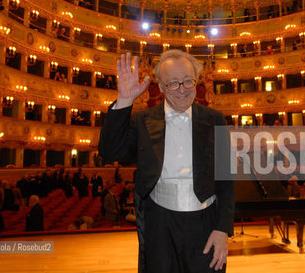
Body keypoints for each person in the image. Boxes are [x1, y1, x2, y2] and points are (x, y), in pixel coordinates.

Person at [99, 50, 234, 272]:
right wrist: (124, 99)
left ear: (197, 81)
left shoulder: (214, 119)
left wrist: (222, 229)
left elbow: (226, 178)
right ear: (160, 87)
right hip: (159, 222)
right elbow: (110, 152)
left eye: (188, 81)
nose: (182, 90)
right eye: (172, 83)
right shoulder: (142, 120)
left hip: (205, 222)